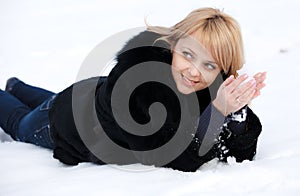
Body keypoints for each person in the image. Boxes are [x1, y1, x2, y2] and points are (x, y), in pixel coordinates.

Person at [0, 7, 266, 172]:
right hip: (68, 118)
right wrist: (217, 113)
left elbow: (240, 154)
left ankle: (16, 86)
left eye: (209, 65)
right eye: (187, 54)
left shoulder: (210, 88)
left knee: (44, 100)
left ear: (222, 71)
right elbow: (172, 158)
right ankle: (10, 92)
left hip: (87, 93)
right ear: (173, 44)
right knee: (20, 121)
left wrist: (235, 112)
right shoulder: (140, 89)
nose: (194, 71)